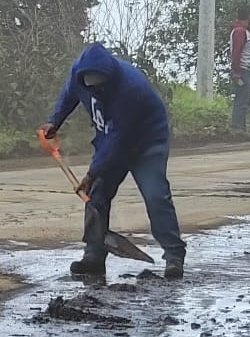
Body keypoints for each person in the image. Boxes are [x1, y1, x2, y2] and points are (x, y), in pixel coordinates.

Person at [41, 43, 187, 280]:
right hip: (111, 138)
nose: (96, 93)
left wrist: (91, 174)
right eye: (92, 89)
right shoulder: (79, 74)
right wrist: (55, 121)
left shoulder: (130, 88)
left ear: (109, 79)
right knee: (96, 197)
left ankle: (174, 256)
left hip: (146, 142)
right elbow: (70, 93)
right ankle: (94, 257)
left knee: (155, 196)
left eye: (101, 88)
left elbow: (117, 141)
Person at [229, 7, 250, 135]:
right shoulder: (240, 31)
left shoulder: (243, 31)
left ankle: (241, 128)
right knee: (242, 99)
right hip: (243, 70)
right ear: (248, 17)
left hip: (247, 70)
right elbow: (236, 52)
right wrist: (236, 71)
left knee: (244, 99)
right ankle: (237, 128)